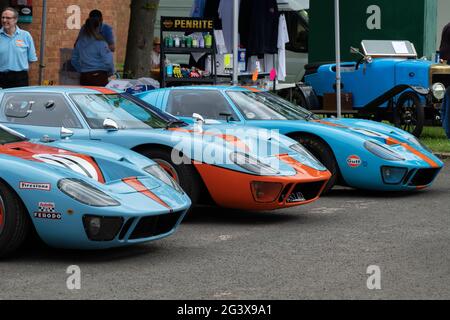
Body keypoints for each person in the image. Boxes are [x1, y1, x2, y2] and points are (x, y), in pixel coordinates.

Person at [0, 7, 37, 88]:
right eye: (3, 17)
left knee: (20, 101)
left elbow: (31, 59)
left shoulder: (26, 35)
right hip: (1, 77)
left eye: (8, 18)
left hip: (20, 78)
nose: (4, 20)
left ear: (15, 20)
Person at [71, 16, 114, 86]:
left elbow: (74, 60)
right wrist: (110, 72)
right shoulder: (101, 43)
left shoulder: (80, 43)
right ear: (98, 28)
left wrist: (81, 70)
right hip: (99, 76)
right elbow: (108, 61)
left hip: (84, 77)